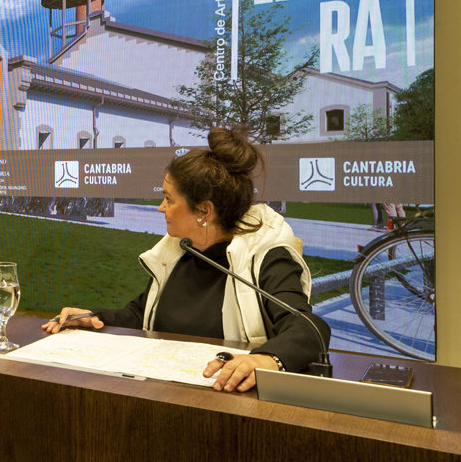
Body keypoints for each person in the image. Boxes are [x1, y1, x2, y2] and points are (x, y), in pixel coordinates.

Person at [43, 127, 330, 393]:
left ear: (203, 211)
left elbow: (308, 328)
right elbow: (142, 315)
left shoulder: (266, 257)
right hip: (162, 392)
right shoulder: (179, 249)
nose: (160, 207)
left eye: (168, 199)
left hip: (228, 405)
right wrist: (95, 318)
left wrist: (267, 360)